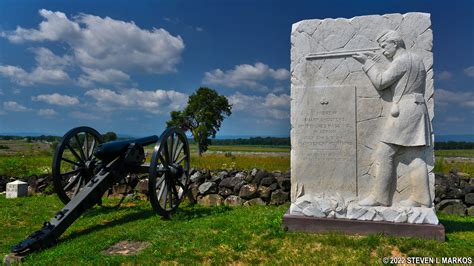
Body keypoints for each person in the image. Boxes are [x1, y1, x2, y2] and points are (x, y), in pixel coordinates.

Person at [352, 30, 432, 207]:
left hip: (404, 110)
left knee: (384, 152)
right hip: (417, 108)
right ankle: (422, 197)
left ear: (395, 43)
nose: (383, 51)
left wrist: (367, 63)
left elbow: (381, 82)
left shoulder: (401, 61)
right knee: (414, 155)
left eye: (384, 46)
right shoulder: (416, 59)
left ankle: (380, 197)